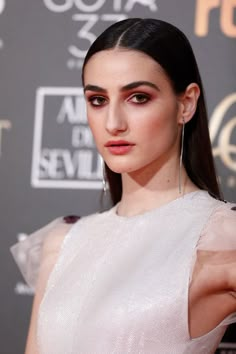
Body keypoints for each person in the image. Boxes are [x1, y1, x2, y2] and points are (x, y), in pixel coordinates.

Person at [10, 18, 236, 354]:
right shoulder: (62, 244)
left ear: (186, 103)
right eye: (98, 100)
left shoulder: (222, 237)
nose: (113, 123)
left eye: (138, 97)